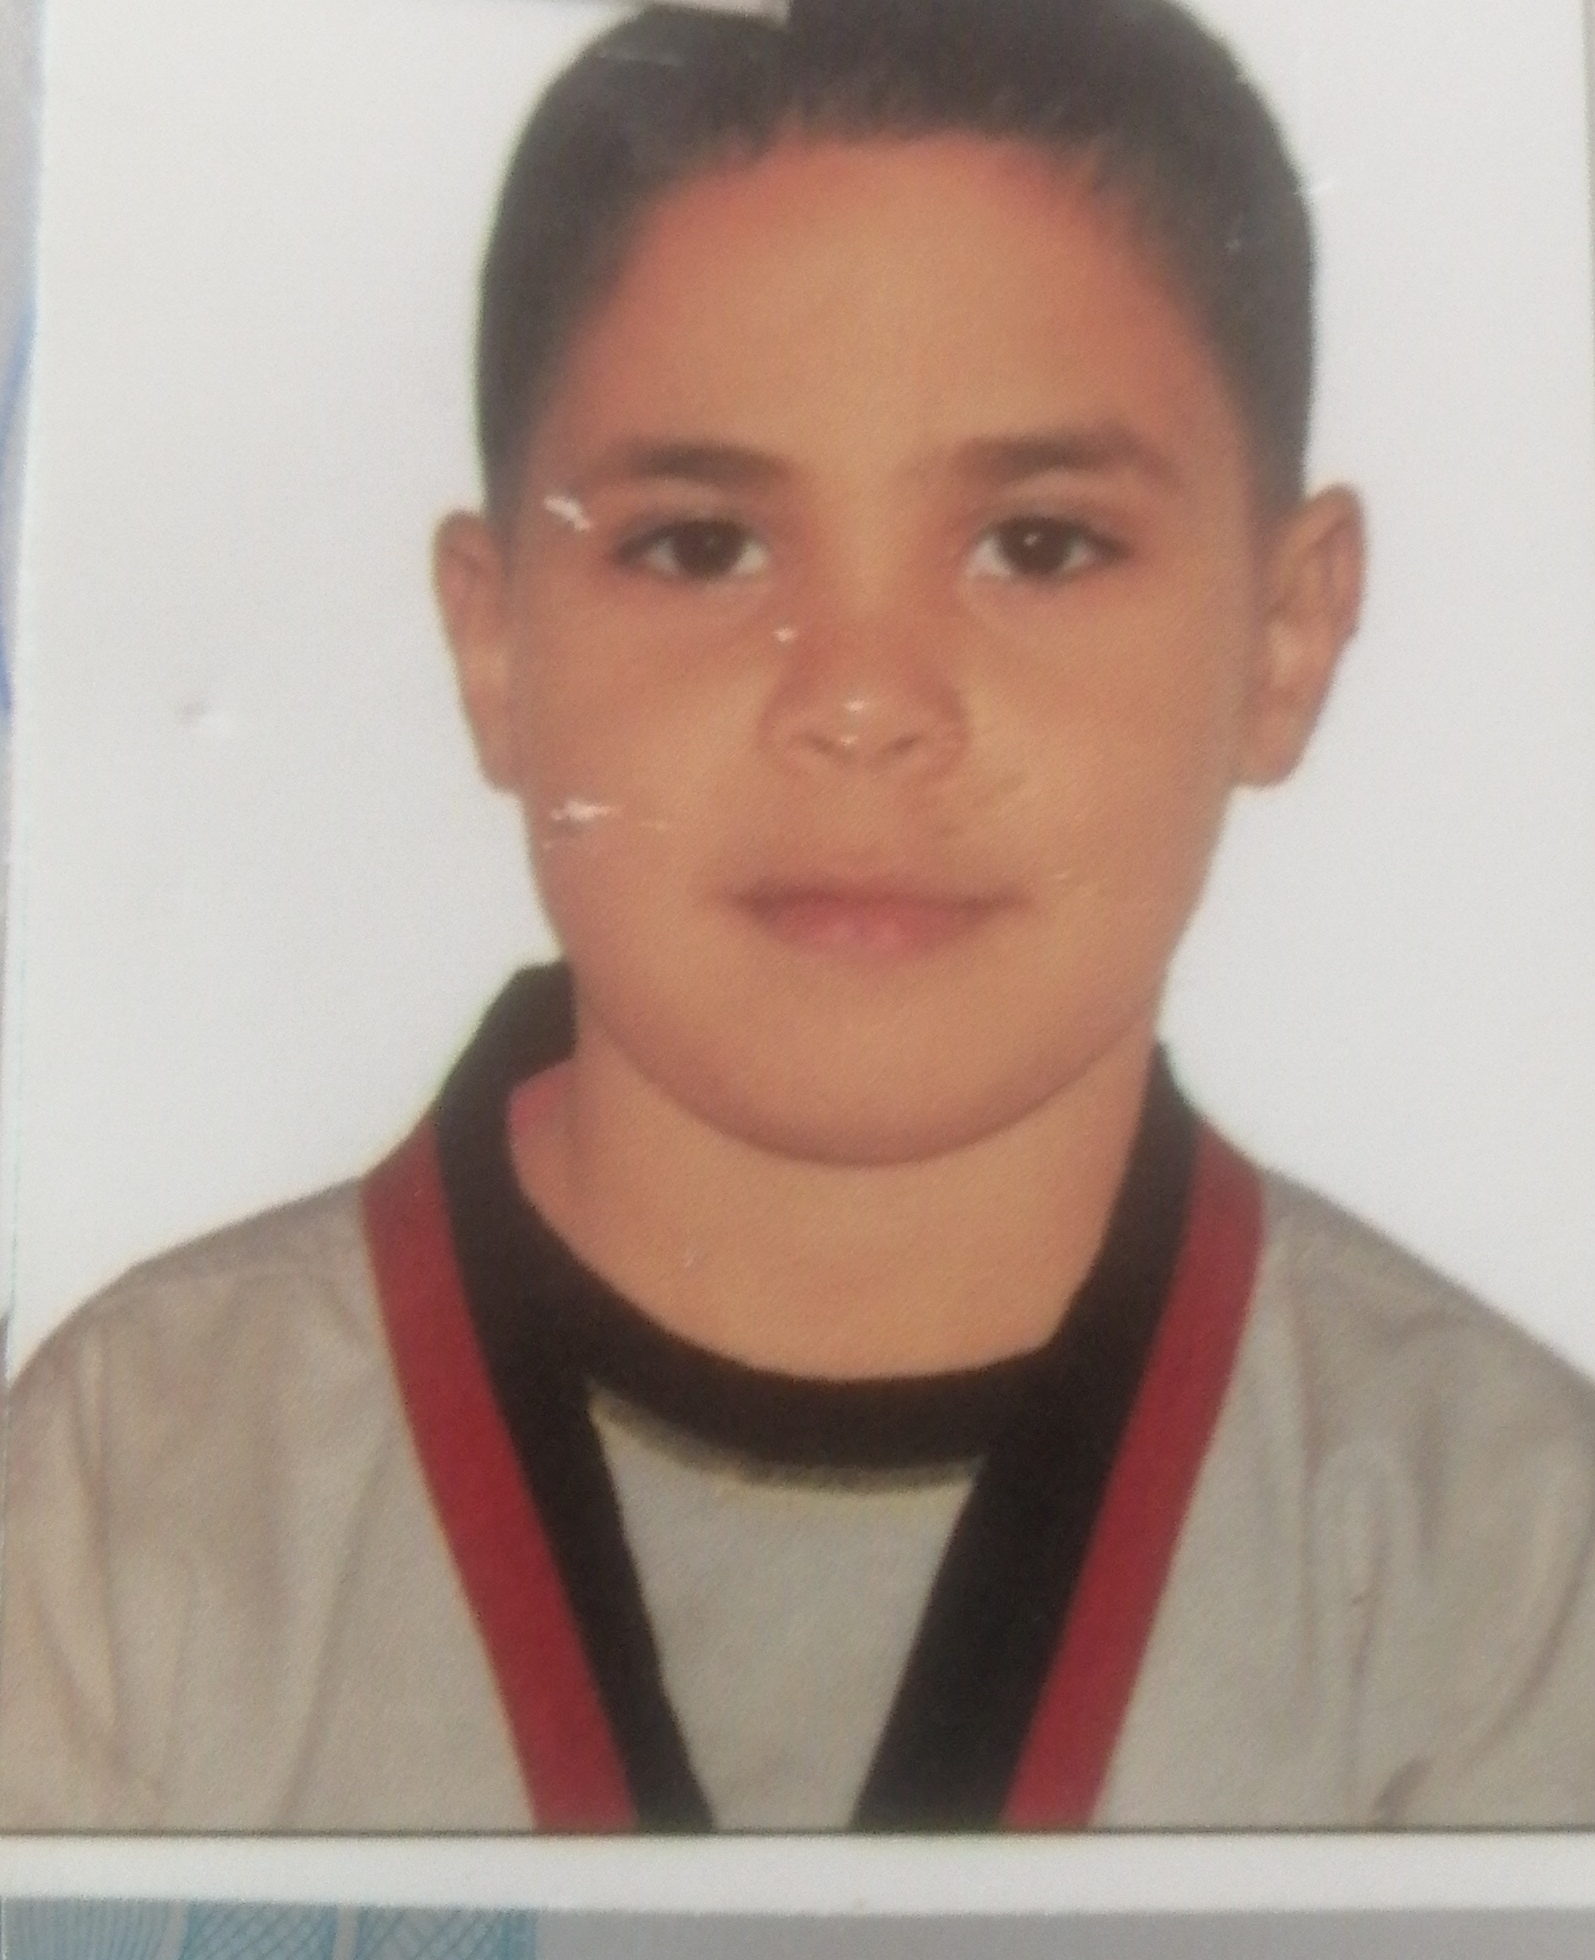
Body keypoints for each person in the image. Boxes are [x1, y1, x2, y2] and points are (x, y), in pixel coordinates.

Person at [5, 0, 1595, 1834]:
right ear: (495, 645)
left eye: (1039, 544)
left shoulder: (1501, 1556)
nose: (858, 699)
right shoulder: (129, 1494)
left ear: (1289, 635)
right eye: (700, 545)